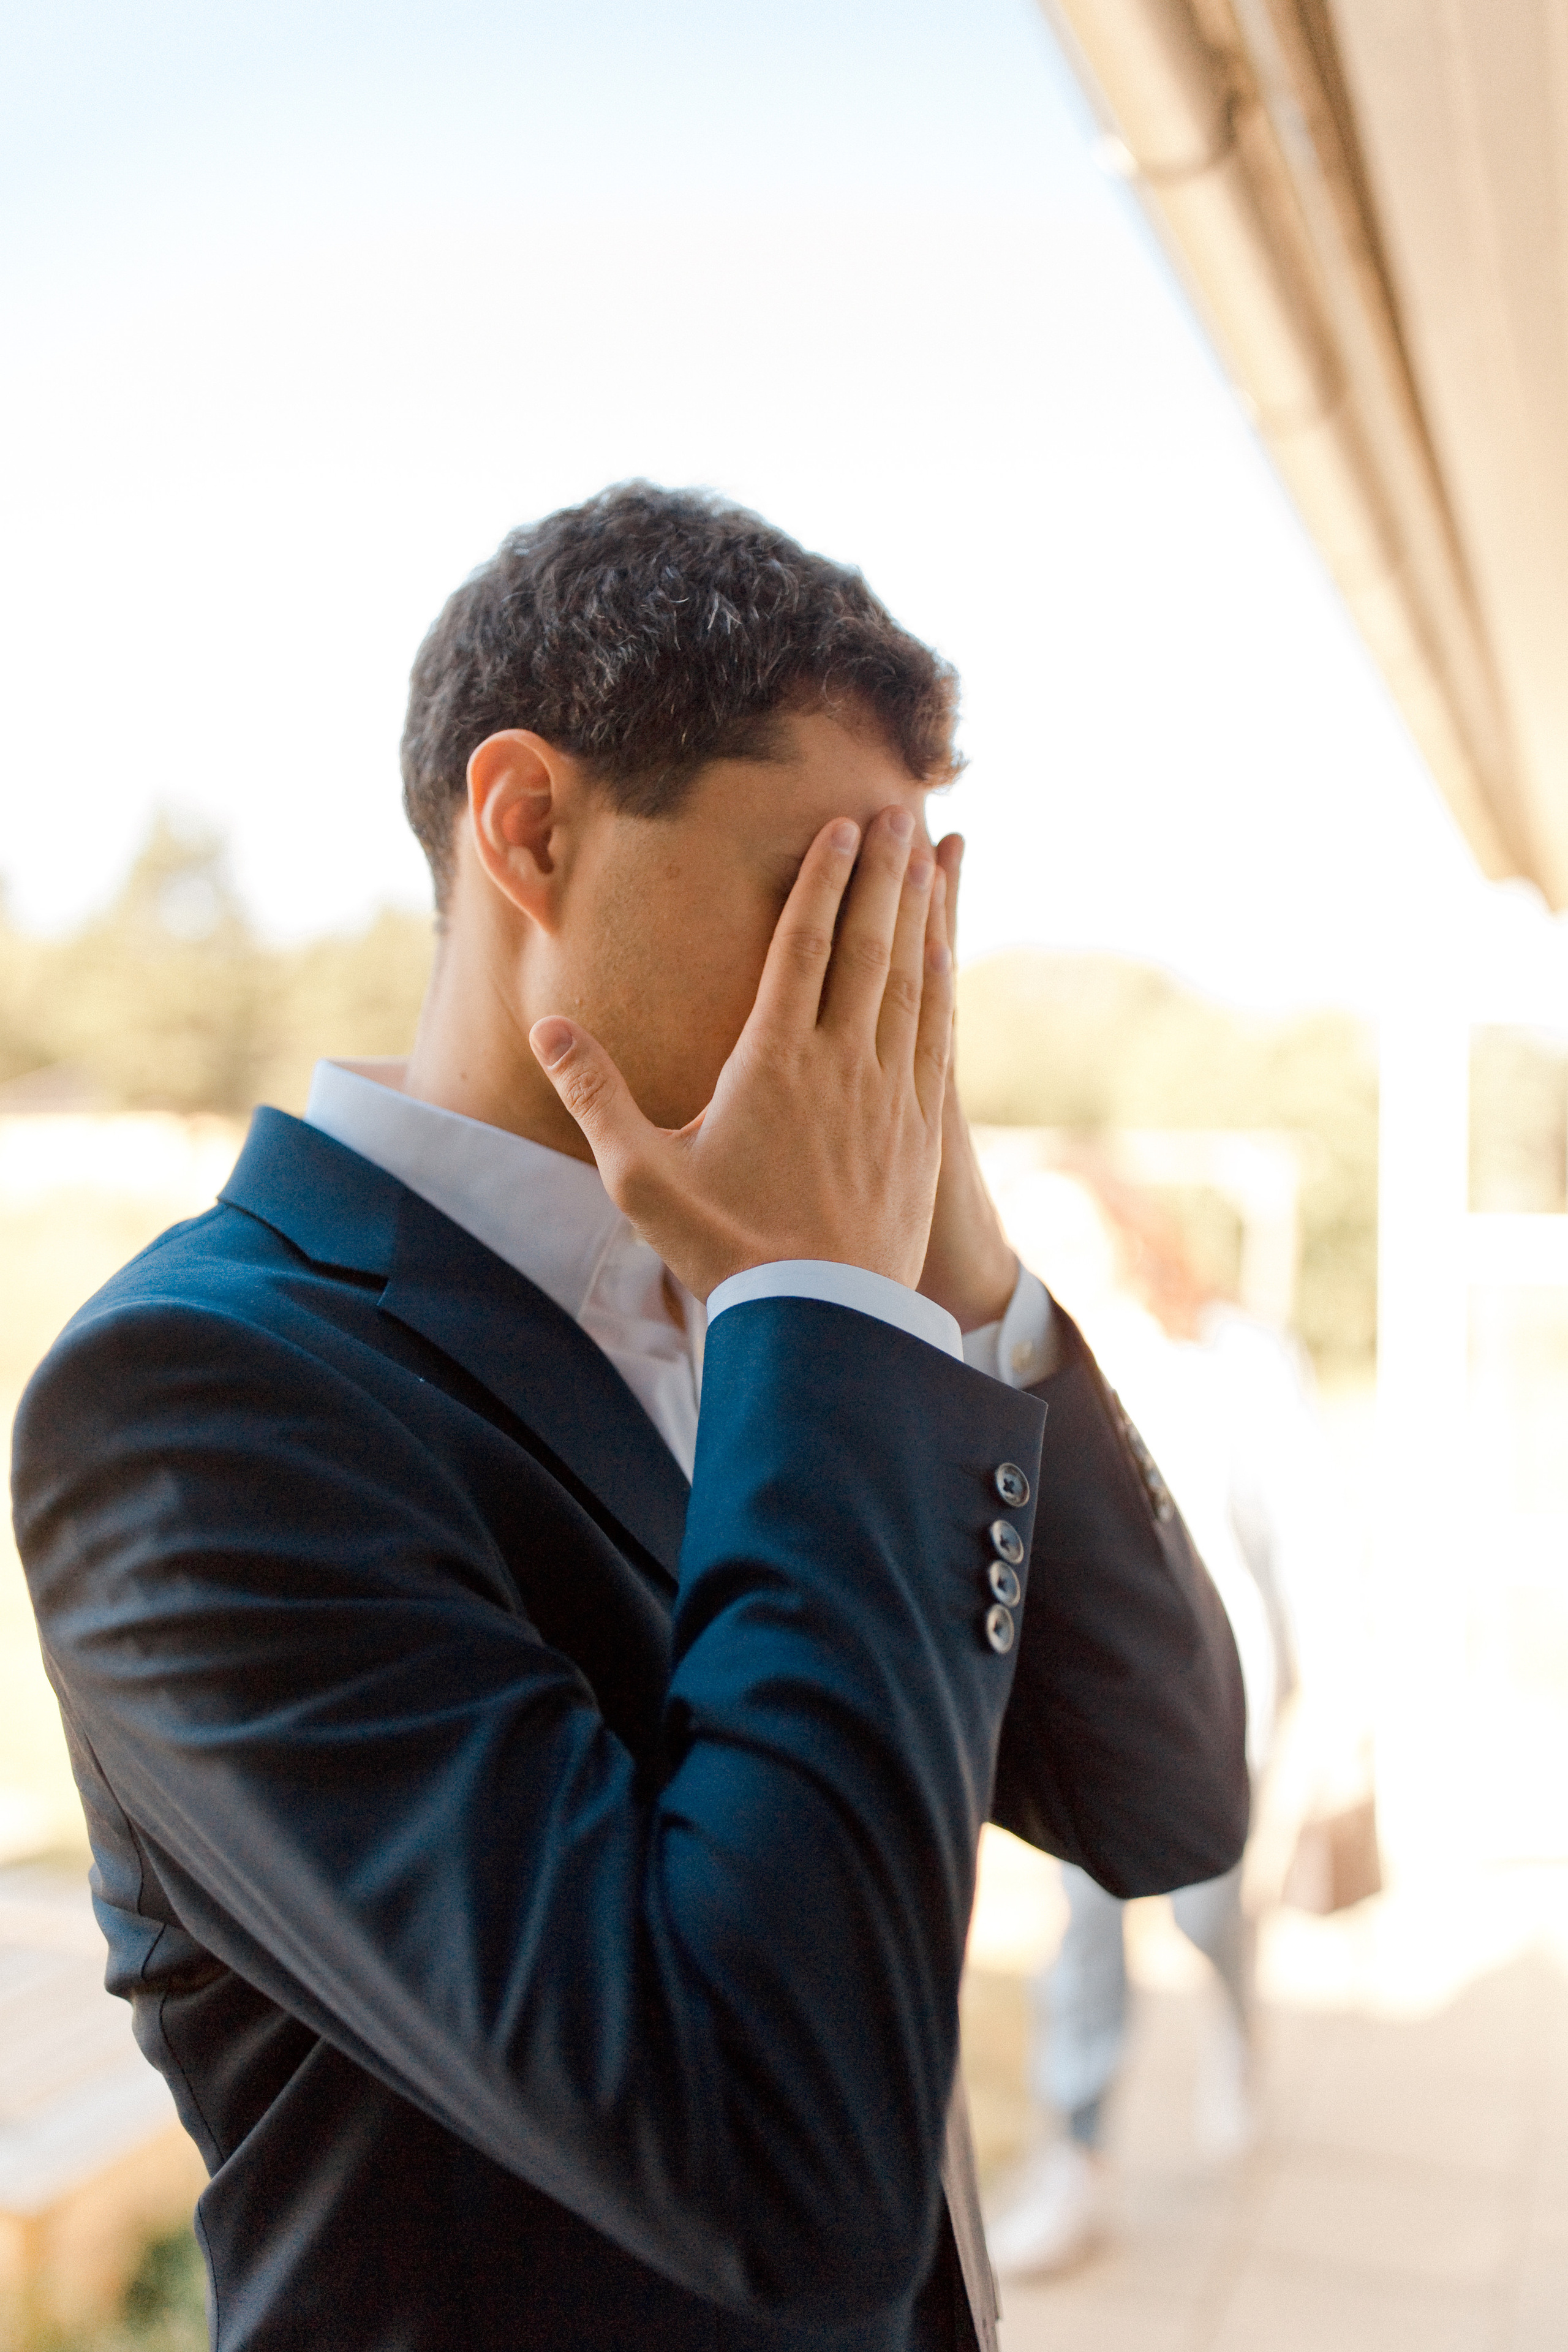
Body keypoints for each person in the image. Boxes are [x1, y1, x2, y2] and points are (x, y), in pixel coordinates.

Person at [12, 485, 1246, 2352]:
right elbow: (773, 2163)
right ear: (529, 830)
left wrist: (959, 1265)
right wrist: (821, 1305)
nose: (881, 989)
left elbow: (1169, 1800)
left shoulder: (808, 1313)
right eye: (818, 897)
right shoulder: (197, 1403)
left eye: (909, 920)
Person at [979, 1167, 1321, 2278]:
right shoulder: (1014, 1361)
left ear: (1130, 1234)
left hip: (1218, 1699)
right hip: (1091, 1703)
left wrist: (1334, 1712)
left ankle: (1239, 2023)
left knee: (1210, 1913)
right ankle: (1077, 2158)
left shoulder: (1234, 1360)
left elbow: (1299, 1545)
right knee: (1088, 1925)